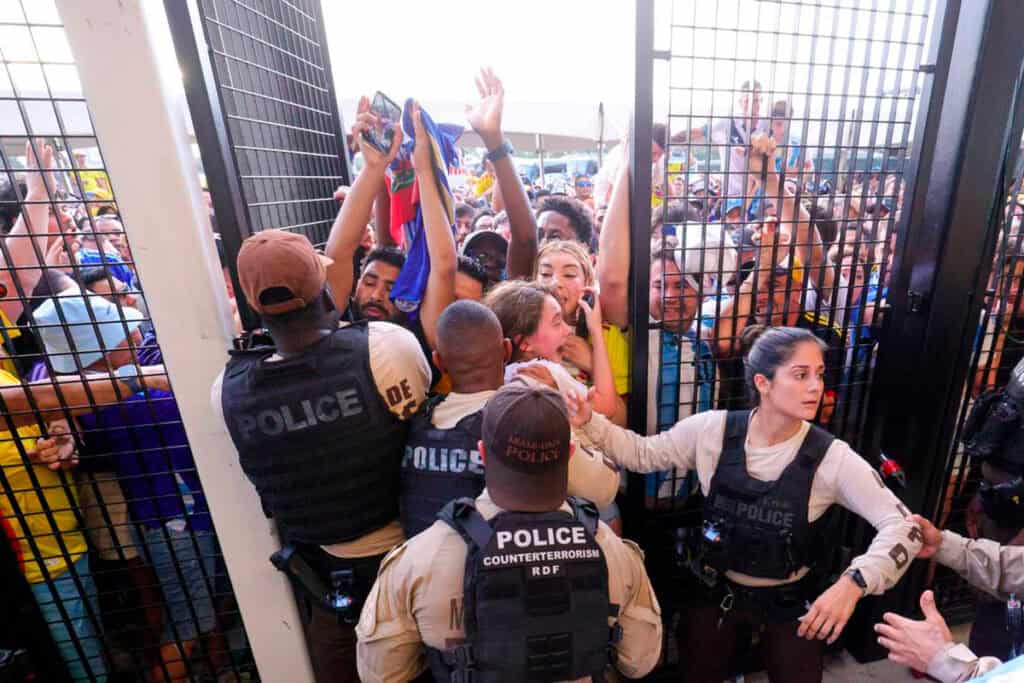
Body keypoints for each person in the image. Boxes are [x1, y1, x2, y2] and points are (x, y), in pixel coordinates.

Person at [567, 326, 923, 682]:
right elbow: (641, 454)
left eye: (818, 374)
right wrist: (589, 421)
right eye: (800, 375)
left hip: (790, 601)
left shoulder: (832, 458)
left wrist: (854, 583)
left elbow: (906, 528)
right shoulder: (712, 432)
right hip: (714, 589)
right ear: (763, 383)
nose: (816, 387)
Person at [212, 229, 429, 683]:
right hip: (412, 566)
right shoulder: (384, 347)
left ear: (255, 308)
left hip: (330, 590)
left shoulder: (228, 393)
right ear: (326, 294)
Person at [357, 382, 663, 682]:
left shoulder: (420, 560)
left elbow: (382, 673)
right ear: (569, 453)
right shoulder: (612, 552)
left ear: (483, 452)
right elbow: (639, 661)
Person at [399, 300, 619, 538]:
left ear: (439, 362)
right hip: (505, 565)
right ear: (506, 351)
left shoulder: (415, 420)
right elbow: (604, 489)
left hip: (431, 563)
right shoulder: (523, 417)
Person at [674, 79, 767, 208]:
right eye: (748, 100)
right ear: (740, 102)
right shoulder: (727, 123)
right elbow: (697, 132)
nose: (753, 105)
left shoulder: (767, 126)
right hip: (731, 195)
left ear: (761, 101)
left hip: (758, 196)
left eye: (756, 100)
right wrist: (670, 139)